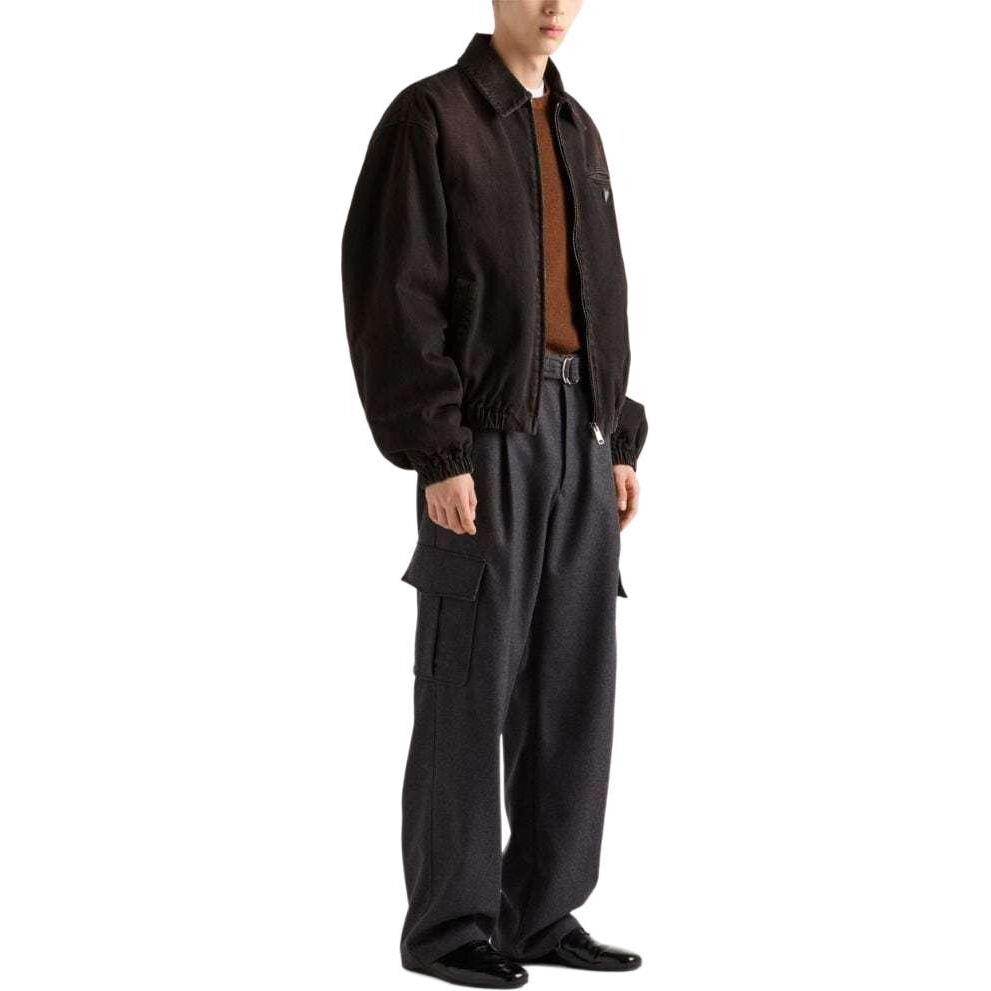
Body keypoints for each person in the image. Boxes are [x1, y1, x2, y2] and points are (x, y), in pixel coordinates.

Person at [341, 2, 648, 986]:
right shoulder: (430, 117)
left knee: (572, 681)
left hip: (580, 433)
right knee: (469, 680)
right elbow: (394, 294)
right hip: (484, 435)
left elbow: (600, 289)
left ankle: (541, 912)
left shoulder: (578, 128)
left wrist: (616, 431)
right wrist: (437, 452)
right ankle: (447, 927)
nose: (554, 5)